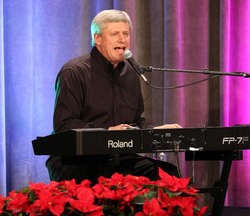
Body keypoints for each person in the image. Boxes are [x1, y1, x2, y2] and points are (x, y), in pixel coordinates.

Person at [46, 9, 181, 184]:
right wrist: (106, 133)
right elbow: (64, 124)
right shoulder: (74, 72)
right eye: (114, 34)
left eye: (125, 33)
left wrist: (155, 132)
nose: (122, 39)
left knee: (167, 174)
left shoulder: (131, 73)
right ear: (98, 39)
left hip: (119, 158)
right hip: (77, 160)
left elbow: (135, 122)